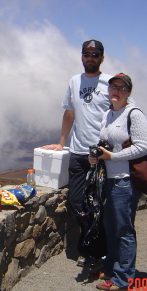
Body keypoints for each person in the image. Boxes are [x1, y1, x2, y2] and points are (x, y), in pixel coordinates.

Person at [42, 39, 114, 267]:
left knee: (99, 203)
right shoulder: (75, 81)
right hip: (78, 153)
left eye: (95, 54)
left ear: (102, 57)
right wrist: (62, 142)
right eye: (86, 54)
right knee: (76, 201)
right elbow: (69, 113)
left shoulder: (110, 83)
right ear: (82, 57)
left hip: (101, 155)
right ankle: (94, 246)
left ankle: (98, 253)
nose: (90, 58)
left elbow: (121, 112)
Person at [88, 73, 147, 291]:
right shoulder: (108, 114)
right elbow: (105, 142)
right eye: (113, 86)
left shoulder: (134, 114)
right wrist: (96, 155)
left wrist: (112, 157)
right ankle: (112, 268)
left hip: (125, 181)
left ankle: (123, 279)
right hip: (109, 180)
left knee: (123, 230)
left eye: (122, 88)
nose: (116, 91)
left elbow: (144, 146)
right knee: (110, 226)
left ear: (129, 93)